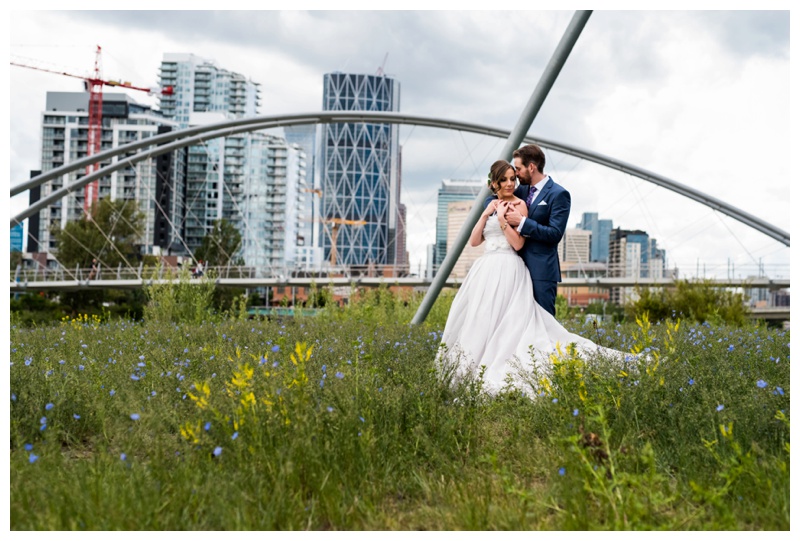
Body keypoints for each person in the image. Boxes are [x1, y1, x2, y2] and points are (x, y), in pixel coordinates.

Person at [439, 159, 627, 394]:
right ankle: (471, 366)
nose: (510, 183)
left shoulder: (520, 205)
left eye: (513, 178)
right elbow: (474, 241)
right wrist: (486, 213)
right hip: (485, 269)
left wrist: (502, 222)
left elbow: (518, 245)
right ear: (495, 183)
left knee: (509, 320)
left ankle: (505, 364)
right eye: (505, 179)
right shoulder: (490, 204)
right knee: (481, 316)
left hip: (509, 267)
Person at [501, 144, 571, 317]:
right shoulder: (521, 190)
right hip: (515, 268)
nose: (515, 174)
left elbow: (555, 234)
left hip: (541, 271)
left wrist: (523, 222)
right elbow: (493, 199)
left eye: (518, 169)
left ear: (531, 167)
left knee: (544, 321)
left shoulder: (558, 194)